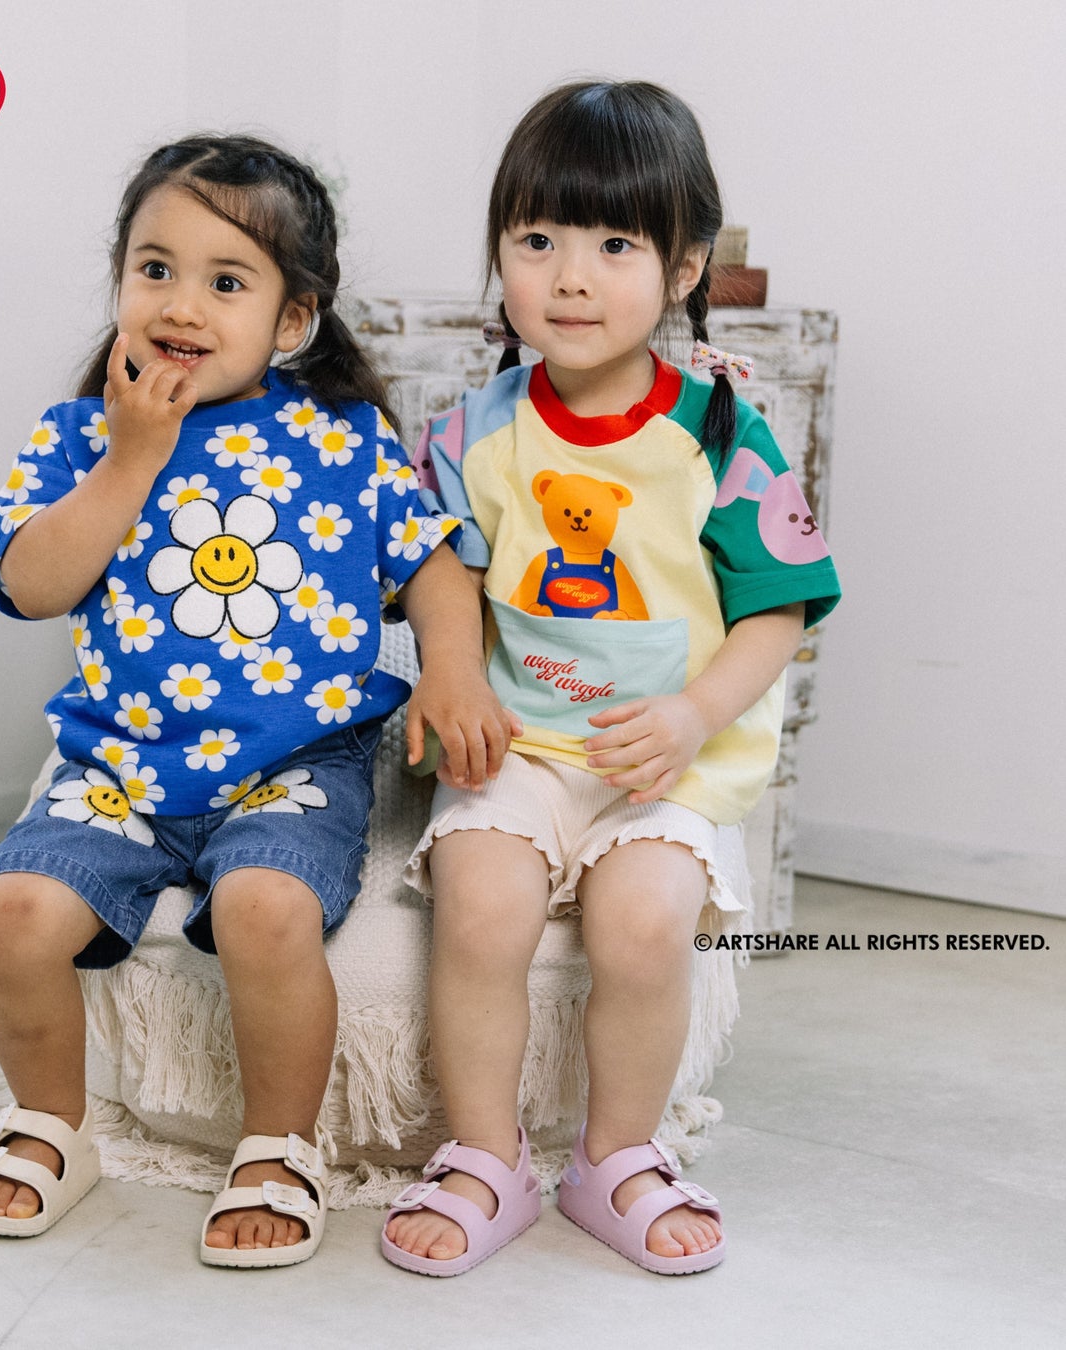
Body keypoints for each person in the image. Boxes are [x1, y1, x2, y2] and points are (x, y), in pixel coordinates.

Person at [0, 134, 512, 1268]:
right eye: (154, 269)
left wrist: (452, 668)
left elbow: (433, 563)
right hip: (119, 765)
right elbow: (32, 584)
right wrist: (131, 458)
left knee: (265, 910)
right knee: (11, 914)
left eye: (226, 281)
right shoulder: (75, 437)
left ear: (291, 318)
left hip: (291, 764)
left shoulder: (340, 439)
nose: (180, 304)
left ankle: (277, 1145)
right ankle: (52, 1124)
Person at [381, 81, 841, 1277]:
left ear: (683, 268)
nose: (570, 279)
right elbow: (441, 569)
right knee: (480, 908)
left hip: (664, 761)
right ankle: (484, 1160)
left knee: (643, 926)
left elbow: (778, 608)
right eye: (537, 240)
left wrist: (692, 716)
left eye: (615, 246)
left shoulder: (722, 432)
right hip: (522, 747)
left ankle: (618, 1157)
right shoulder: (472, 432)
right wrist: (453, 673)